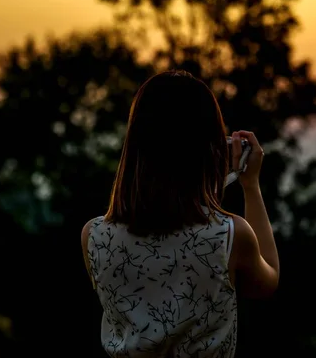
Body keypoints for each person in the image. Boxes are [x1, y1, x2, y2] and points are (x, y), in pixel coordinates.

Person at [81, 70, 280, 357]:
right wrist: (250, 186)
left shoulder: (94, 236)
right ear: (208, 148)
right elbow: (267, 280)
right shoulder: (228, 236)